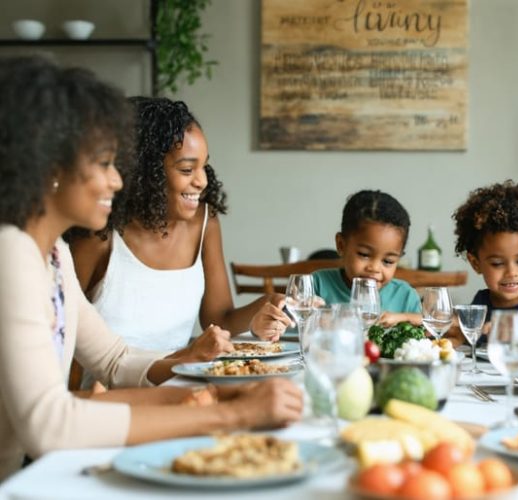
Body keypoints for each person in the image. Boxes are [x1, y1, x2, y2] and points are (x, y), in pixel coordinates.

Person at [0, 56, 303, 480]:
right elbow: (50, 423)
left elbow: (114, 356)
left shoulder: (52, 253)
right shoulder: (9, 253)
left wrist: (219, 393)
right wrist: (226, 416)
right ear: (50, 168)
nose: (118, 181)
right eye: (104, 164)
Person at [69, 97, 291, 360]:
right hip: (112, 393)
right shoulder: (99, 235)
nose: (202, 181)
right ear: (145, 172)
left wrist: (265, 306)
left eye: (203, 165)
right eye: (187, 169)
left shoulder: (205, 222)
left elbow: (218, 319)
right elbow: (58, 332)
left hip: (184, 380)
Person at [451, 180, 518, 343]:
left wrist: (507, 331)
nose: (512, 273)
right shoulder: (480, 304)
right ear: (476, 263)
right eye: (497, 264)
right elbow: (467, 342)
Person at [312, 190, 421, 326]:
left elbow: (427, 326)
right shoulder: (318, 285)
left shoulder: (405, 295)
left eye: (388, 261)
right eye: (364, 254)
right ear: (341, 245)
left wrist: (404, 317)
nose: (374, 268)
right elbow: (292, 326)